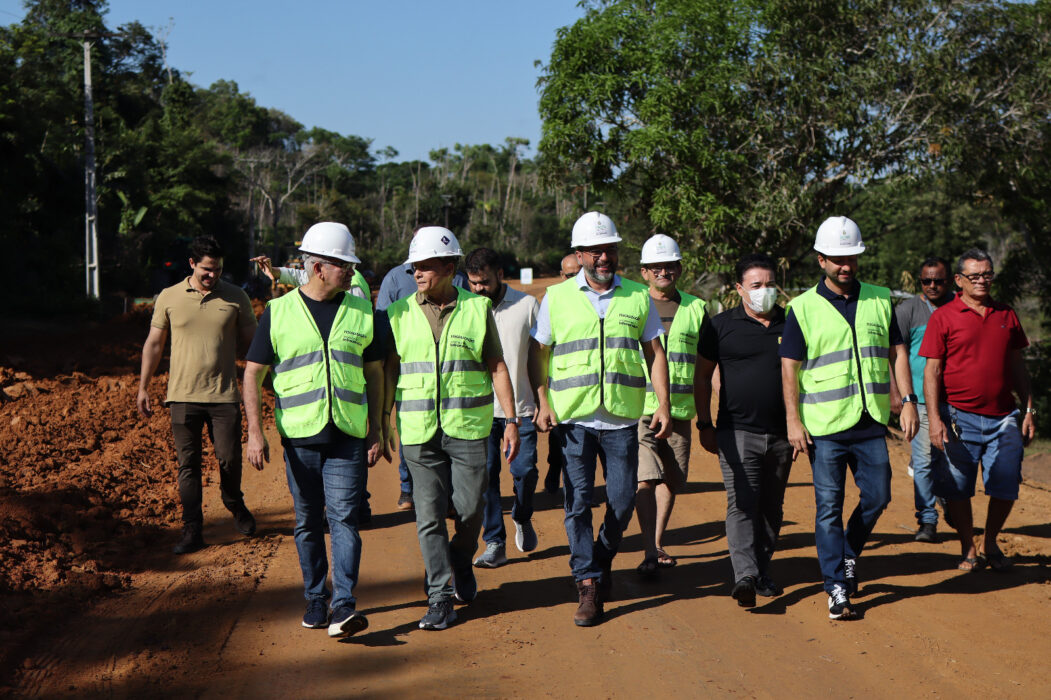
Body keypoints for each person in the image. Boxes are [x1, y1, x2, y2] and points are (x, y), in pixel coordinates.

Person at [242, 222, 386, 638]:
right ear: (320, 268)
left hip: (347, 434)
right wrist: (256, 432)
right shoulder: (279, 313)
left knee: (344, 519)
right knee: (307, 521)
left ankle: (343, 605)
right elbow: (252, 375)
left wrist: (377, 426)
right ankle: (316, 598)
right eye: (344, 265)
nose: (352, 272)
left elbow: (374, 373)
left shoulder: (363, 311)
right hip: (300, 437)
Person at [531, 211, 671, 627]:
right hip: (574, 419)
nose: (604, 257)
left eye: (609, 249)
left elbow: (654, 353)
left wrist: (661, 403)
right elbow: (539, 352)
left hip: (623, 418)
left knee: (624, 500)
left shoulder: (636, 296)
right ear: (580, 255)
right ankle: (588, 584)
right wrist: (542, 400)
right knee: (577, 504)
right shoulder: (556, 297)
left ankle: (601, 556)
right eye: (595, 251)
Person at [780, 216, 918, 620]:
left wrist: (908, 399)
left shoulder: (878, 298)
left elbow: (897, 352)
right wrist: (793, 420)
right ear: (821, 260)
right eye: (838, 259)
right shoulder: (802, 308)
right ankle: (836, 586)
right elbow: (789, 367)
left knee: (878, 497)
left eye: (852, 258)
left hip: (870, 420)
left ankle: (849, 551)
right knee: (828, 507)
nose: (846, 266)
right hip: (824, 426)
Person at [384, 226, 520, 631]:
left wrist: (511, 420)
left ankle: (461, 561)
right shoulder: (398, 313)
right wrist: (380, 425)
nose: (417, 274)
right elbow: (389, 372)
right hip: (419, 431)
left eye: (424, 266)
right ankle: (439, 597)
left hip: (468, 428)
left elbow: (496, 365)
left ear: (448, 266)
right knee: (427, 516)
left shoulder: (477, 310)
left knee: (471, 509)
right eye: (414, 268)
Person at [137, 235, 259, 554]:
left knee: (229, 459)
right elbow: (153, 344)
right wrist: (143, 387)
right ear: (192, 263)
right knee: (187, 465)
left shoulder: (235, 297)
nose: (211, 275)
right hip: (182, 396)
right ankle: (192, 529)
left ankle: (234, 501)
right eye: (206, 269)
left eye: (217, 270)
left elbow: (253, 342)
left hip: (223, 396)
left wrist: (264, 374)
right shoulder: (170, 297)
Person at [921, 248, 1034, 572]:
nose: (982, 281)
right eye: (975, 276)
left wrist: (1029, 410)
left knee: (1007, 482)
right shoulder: (944, 316)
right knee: (957, 487)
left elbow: (1018, 367)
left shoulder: (1006, 314)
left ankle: (991, 542)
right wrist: (936, 420)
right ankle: (968, 547)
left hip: (1004, 418)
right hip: (958, 416)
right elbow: (932, 372)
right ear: (958, 280)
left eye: (987, 275)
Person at [698, 253, 793, 608]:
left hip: (784, 434)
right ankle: (745, 576)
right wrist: (704, 422)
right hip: (737, 432)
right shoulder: (720, 326)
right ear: (739, 289)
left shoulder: (793, 323)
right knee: (741, 503)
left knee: (772, 506)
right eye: (756, 286)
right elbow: (703, 377)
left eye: (770, 285)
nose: (764, 292)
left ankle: (761, 569)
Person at [632, 235, 707, 577]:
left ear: (679, 268)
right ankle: (650, 549)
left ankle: (657, 541)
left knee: (671, 480)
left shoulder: (697, 308)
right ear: (644, 272)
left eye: (670, 265)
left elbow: (708, 365)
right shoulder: (632, 304)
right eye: (656, 267)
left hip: (679, 410)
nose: (664, 271)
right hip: (639, 407)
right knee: (645, 477)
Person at [464, 248, 542, 568]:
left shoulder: (527, 305)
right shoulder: (465, 308)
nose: (479, 289)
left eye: (484, 282)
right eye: (473, 283)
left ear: (500, 275)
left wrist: (541, 398)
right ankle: (494, 541)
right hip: (479, 410)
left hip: (521, 408)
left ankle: (522, 516)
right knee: (486, 478)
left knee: (525, 471)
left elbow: (538, 355)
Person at [377, 252, 469, 510]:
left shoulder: (457, 279)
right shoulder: (394, 278)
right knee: (413, 433)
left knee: (448, 436)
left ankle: (449, 495)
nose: (419, 271)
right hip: (411, 372)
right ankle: (408, 489)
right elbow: (383, 320)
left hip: (449, 376)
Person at [895, 256, 955, 542]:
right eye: (926, 281)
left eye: (938, 281)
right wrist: (899, 394)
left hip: (955, 399)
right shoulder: (908, 310)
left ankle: (953, 503)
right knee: (923, 459)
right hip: (919, 398)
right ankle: (927, 519)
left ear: (950, 279)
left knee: (953, 459)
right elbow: (896, 354)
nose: (932, 286)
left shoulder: (960, 306)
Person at [543, 253, 583, 494]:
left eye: (579, 272)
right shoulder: (554, 301)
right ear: (562, 276)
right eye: (570, 275)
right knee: (559, 437)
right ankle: (554, 468)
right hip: (561, 384)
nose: (576, 278)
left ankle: (579, 491)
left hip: (591, 385)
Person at [249, 255, 369, 300]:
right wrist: (273, 271)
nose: (351, 272)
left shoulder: (353, 285)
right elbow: (300, 277)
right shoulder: (331, 278)